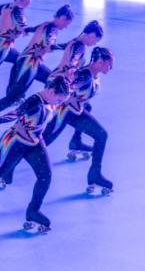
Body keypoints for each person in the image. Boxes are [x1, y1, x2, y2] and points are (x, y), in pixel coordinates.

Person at [0, 76, 71, 234]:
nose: (60, 103)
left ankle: (33, 211)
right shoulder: (34, 101)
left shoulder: (52, 99)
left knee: (45, 175)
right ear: (51, 91)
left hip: (35, 142)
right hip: (16, 142)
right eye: (60, 99)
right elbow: (16, 113)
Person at [0, 5, 74, 133]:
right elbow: (48, 45)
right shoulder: (52, 29)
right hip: (29, 64)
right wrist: (67, 46)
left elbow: (32, 29)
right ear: (63, 18)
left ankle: (44, 108)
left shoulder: (46, 24)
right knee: (12, 97)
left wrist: (25, 30)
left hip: (32, 63)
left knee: (54, 81)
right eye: (67, 23)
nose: (66, 27)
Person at [46, 47, 115, 195]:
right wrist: (69, 82)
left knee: (101, 134)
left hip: (74, 112)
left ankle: (94, 173)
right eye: (109, 64)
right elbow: (65, 88)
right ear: (100, 62)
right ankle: (4, 170)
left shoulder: (91, 74)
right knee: (42, 142)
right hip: (64, 113)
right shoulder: (85, 76)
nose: (111, 67)